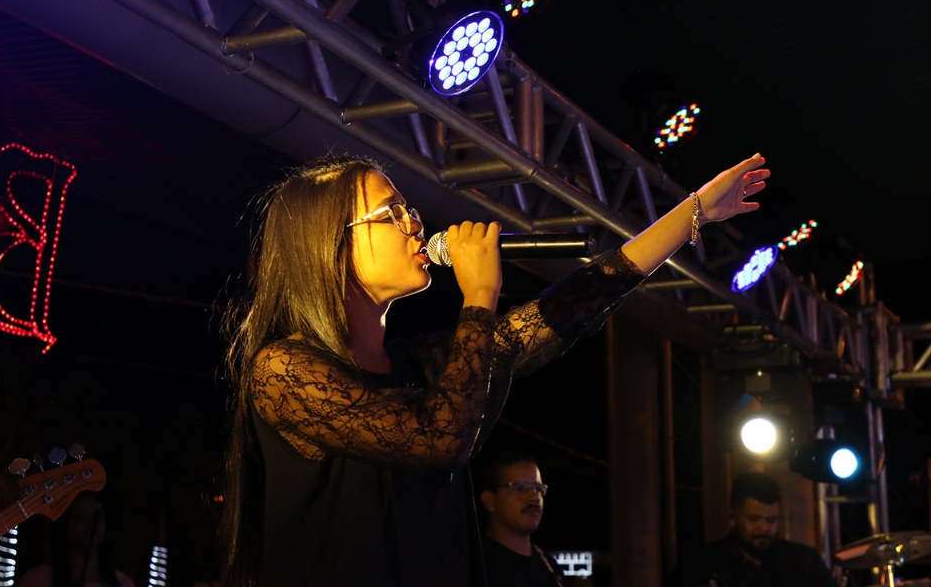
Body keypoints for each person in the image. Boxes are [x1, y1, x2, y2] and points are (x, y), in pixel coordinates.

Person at [220, 152, 769, 586]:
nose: (415, 223)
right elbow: (437, 441)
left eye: (410, 208)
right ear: (329, 243)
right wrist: (478, 296)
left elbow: (569, 309)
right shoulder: (282, 369)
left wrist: (693, 210)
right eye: (392, 212)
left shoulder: (420, 362)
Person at [665, 472, 837, 587]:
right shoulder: (701, 565)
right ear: (733, 517)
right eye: (754, 519)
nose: (764, 528)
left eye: (772, 520)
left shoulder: (804, 562)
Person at [476, 449, 563, 587]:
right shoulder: (476, 566)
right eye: (519, 487)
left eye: (538, 488)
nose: (534, 497)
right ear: (489, 500)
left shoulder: (549, 565)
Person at [16, 491, 135, 587]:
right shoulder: (38, 579)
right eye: (79, 517)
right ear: (64, 524)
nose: (90, 523)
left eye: (97, 516)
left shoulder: (123, 582)